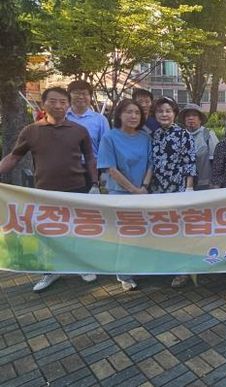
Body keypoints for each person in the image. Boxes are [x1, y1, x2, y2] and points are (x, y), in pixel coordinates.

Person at [0, 87, 99, 292]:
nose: (58, 106)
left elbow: (90, 158)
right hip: (45, 192)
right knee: (48, 234)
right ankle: (51, 271)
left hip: (77, 189)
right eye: (53, 101)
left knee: (77, 231)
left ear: (68, 105)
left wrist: (95, 184)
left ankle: (81, 266)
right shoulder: (31, 131)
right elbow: (14, 157)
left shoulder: (79, 130)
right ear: (43, 104)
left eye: (63, 102)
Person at [97, 99, 152, 291]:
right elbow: (111, 169)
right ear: (119, 114)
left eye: (137, 112)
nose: (133, 116)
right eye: (128, 112)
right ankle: (124, 274)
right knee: (124, 235)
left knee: (141, 233)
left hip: (143, 192)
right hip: (119, 193)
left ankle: (138, 267)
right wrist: (134, 190)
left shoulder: (145, 137)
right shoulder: (109, 137)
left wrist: (144, 186)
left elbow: (150, 164)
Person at [150, 96, 197, 288]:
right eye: (160, 111)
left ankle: (183, 270)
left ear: (175, 114)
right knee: (162, 229)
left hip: (178, 189)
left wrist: (188, 188)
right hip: (157, 191)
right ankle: (166, 265)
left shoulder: (184, 135)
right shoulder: (153, 135)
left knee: (180, 231)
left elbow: (190, 163)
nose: (164, 114)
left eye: (168, 111)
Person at [65, 80, 109, 160]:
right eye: (76, 93)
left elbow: (106, 148)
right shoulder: (63, 117)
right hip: (66, 164)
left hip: (92, 165)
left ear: (90, 97)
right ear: (69, 95)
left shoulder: (100, 120)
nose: (81, 97)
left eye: (84, 93)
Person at [179, 104, 219, 191]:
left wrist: (215, 183)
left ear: (200, 119)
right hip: (182, 184)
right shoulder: (179, 135)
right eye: (188, 116)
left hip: (205, 184)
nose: (191, 118)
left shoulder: (208, 134)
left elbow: (217, 161)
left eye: (194, 115)